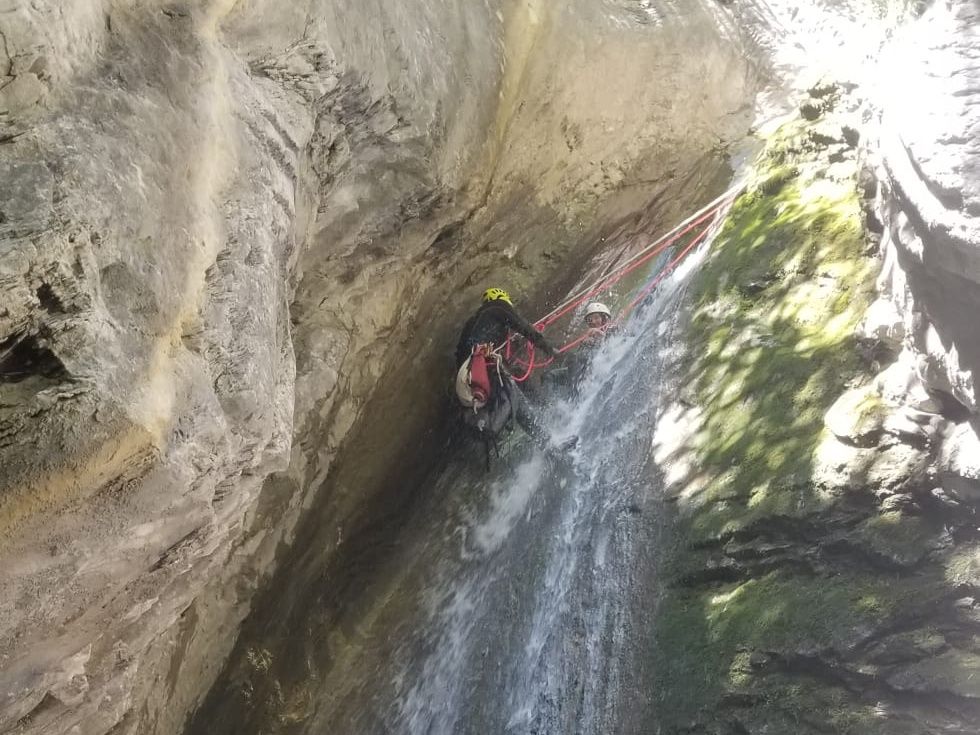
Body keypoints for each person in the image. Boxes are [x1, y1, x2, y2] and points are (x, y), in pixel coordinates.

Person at [454, 287, 562, 451]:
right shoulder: (498, 306)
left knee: (515, 383)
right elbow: (523, 326)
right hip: (484, 366)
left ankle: (547, 424)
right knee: (513, 394)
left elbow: (462, 352)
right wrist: (548, 348)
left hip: (468, 377)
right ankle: (549, 434)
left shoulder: (473, 323)